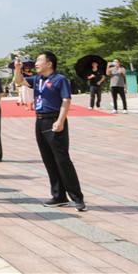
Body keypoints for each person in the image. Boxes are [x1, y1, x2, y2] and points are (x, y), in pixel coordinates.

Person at [13, 50, 86, 211]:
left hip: (54, 120)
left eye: (39, 60)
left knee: (62, 160)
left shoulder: (60, 79)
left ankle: (77, 198)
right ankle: (59, 196)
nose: (36, 63)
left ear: (49, 64)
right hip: (40, 121)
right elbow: (19, 81)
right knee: (49, 160)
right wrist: (17, 68)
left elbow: (66, 100)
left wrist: (60, 121)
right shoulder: (37, 79)